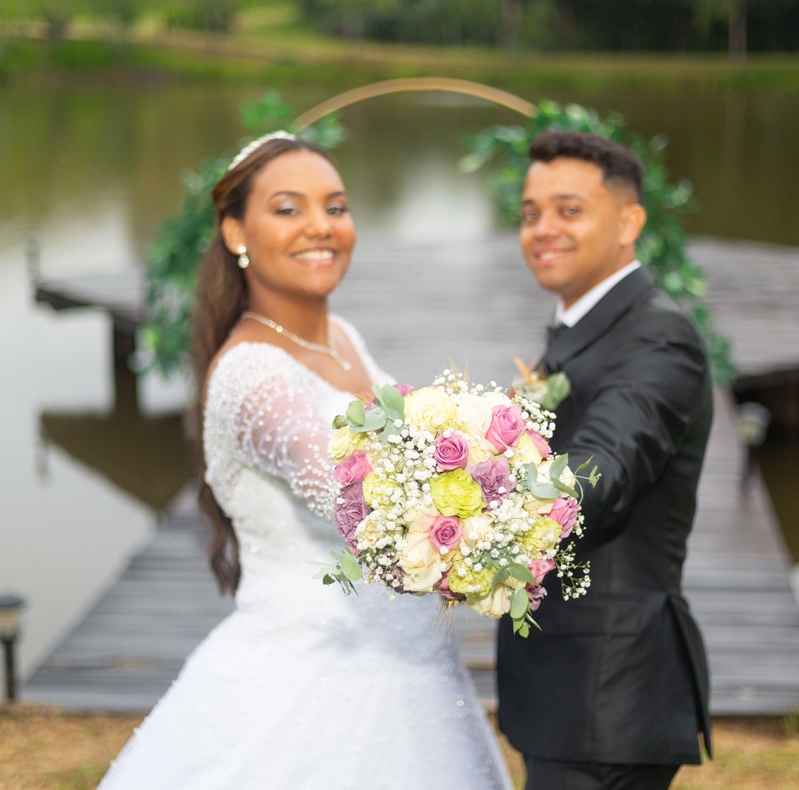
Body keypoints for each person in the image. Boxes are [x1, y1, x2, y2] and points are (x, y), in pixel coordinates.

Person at [98, 133, 512, 789]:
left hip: (417, 674)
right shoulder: (252, 377)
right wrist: (495, 519)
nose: (320, 226)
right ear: (236, 231)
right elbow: (350, 490)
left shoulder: (344, 338)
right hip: (313, 686)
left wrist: (498, 456)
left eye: (335, 206)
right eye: (288, 209)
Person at [495, 130, 714, 790]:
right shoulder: (584, 330)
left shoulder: (656, 336)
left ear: (628, 222)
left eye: (569, 210)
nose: (542, 229)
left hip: (608, 692)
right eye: (530, 213)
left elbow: (605, 467)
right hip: (573, 695)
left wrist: (473, 499)